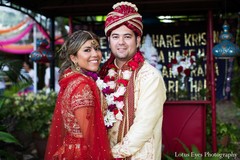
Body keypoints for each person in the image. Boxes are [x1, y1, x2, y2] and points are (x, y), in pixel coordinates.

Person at [99, 1, 167, 160]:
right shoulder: (104, 76)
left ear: (138, 40)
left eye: (127, 36)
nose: (121, 42)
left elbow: (143, 127)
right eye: (115, 36)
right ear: (109, 41)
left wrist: (110, 154)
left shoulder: (150, 77)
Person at [44, 30, 113, 160]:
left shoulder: (76, 80)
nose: (95, 54)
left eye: (97, 48)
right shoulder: (82, 86)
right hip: (84, 153)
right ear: (74, 58)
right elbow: (90, 136)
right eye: (87, 50)